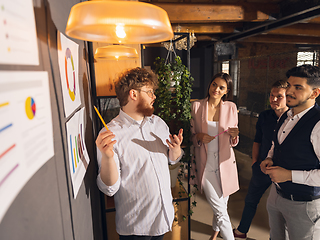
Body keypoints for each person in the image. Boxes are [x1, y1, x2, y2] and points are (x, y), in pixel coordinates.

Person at [95, 67, 184, 240]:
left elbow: (172, 160)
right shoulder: (110, 134)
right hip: (136, 227)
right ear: (133, 94)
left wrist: (175, 150)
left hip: (163, 218)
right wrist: (107, 158)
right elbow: (109, 188)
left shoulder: (159, 123)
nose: (154, 96)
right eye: (150, 92)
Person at [260, 64, 320, 240]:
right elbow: (276, 143)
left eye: (298, 87)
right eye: (289, 85)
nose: (289, 91)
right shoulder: (286, 114)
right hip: (276, 196)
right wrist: (269, 157)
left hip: (305, 205)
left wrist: (289, 175)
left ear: (315, 93)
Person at [233, 80, 289, 239]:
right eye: (272, 95)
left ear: (288, 97)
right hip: (262, 167)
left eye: (279, 96)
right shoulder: (264, 116)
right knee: (251, 200)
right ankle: (241, 231)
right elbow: (257, 140)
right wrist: (255, 162)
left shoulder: (293, 119)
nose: (274, 99)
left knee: (282, 207)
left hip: (284, 171)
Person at [190, 73, 239, 240]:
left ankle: (215, 234)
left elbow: (234, 141)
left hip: (226, 164)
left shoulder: (231, 108)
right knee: (220, 209)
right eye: (214, 85)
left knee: (222, 205)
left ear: (227, 91)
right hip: (206, 164)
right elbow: (191, 135)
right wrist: (198, 137)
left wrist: (235, 135)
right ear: (209, 85)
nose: (216, 89)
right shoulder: (196, 106)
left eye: (221, 87)